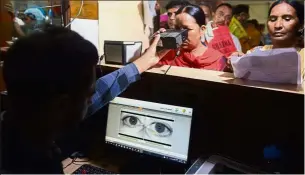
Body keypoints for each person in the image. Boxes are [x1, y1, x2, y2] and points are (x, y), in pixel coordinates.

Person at [1, 26, 168, 173]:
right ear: (62, 105)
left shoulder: (18, 128)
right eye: (88, 96)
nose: (90, 101)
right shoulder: (37, 165)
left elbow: (101, 92)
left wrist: (141, 65)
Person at [230, 0, 304, 77]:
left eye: (287, 18)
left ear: (301, 25)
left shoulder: (303, 57)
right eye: (272, 19)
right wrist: (238, 64)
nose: (278, 25)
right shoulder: (256, 53)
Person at [158, 5, 227, 71]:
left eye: (186, 29)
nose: (181, 34)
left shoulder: (218, 60)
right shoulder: (168, 55)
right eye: (177, 29)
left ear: (202, 29)